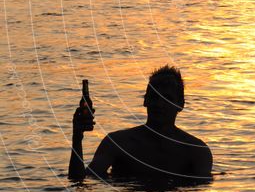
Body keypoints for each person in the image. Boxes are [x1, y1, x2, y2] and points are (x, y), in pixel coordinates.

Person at [68, 65, 212, 184]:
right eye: (154, 97)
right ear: (145, 101)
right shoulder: (118, 143)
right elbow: (80, 182)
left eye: (166, 99)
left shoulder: (196, 151)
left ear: (180, 105)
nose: (159, 104)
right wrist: (77, 138)